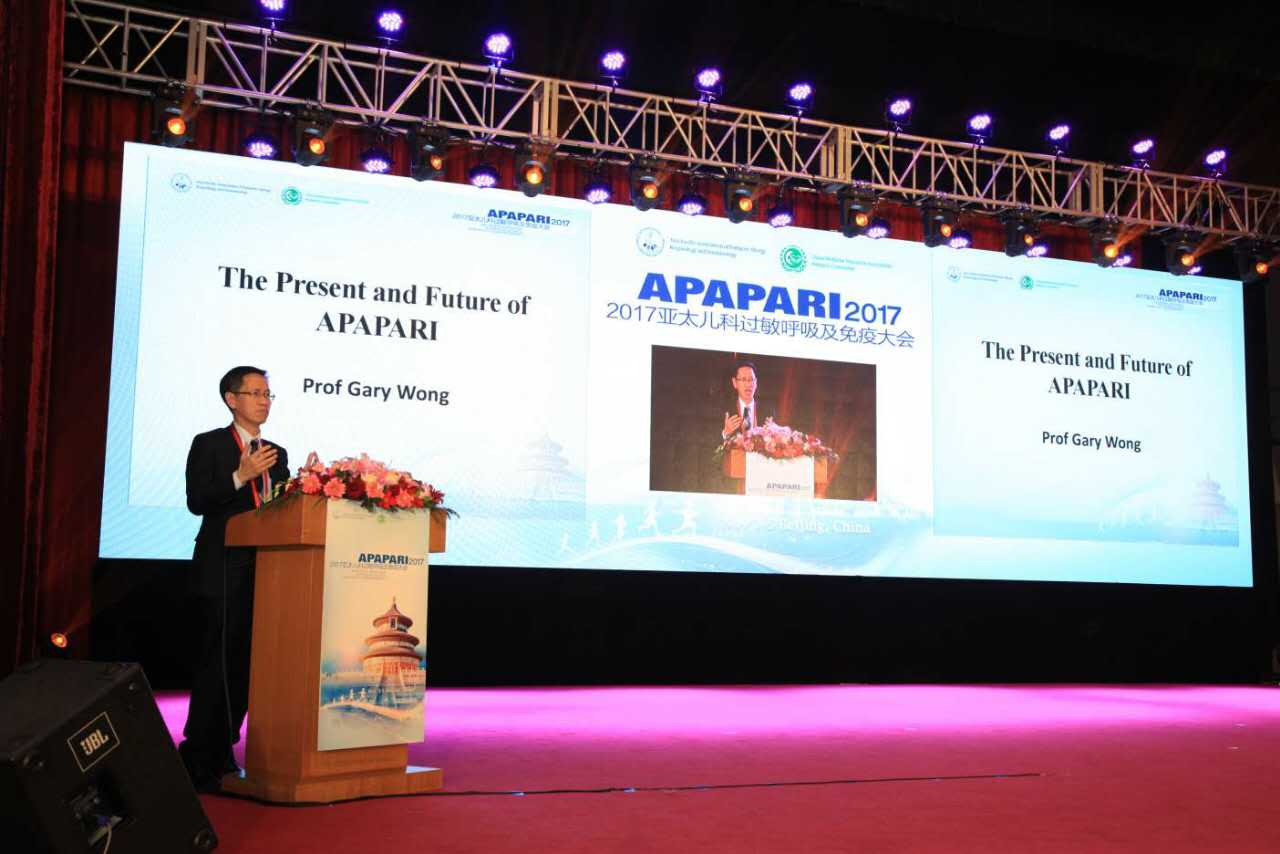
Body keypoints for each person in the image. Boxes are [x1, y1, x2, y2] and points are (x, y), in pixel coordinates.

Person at [178, 365, 290, 792]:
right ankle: (198, 756)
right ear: (231, 399)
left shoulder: (276, 452)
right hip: (222, 566)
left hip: (266, 570)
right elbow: (197, 501)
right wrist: (240, 476)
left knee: (246, 663)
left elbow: (276, 509)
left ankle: (223, 747)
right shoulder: (208, 444)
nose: (264, 401)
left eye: (268, 394)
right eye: (255, 393)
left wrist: (301, 489)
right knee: (217, 661)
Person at [721, 360, 764, 442]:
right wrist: (726, 432)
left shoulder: (768, 411)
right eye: (743, 379)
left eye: (751, 379)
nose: (748, 384)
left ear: (756, 383)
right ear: (734, 383)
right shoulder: (725, 410)